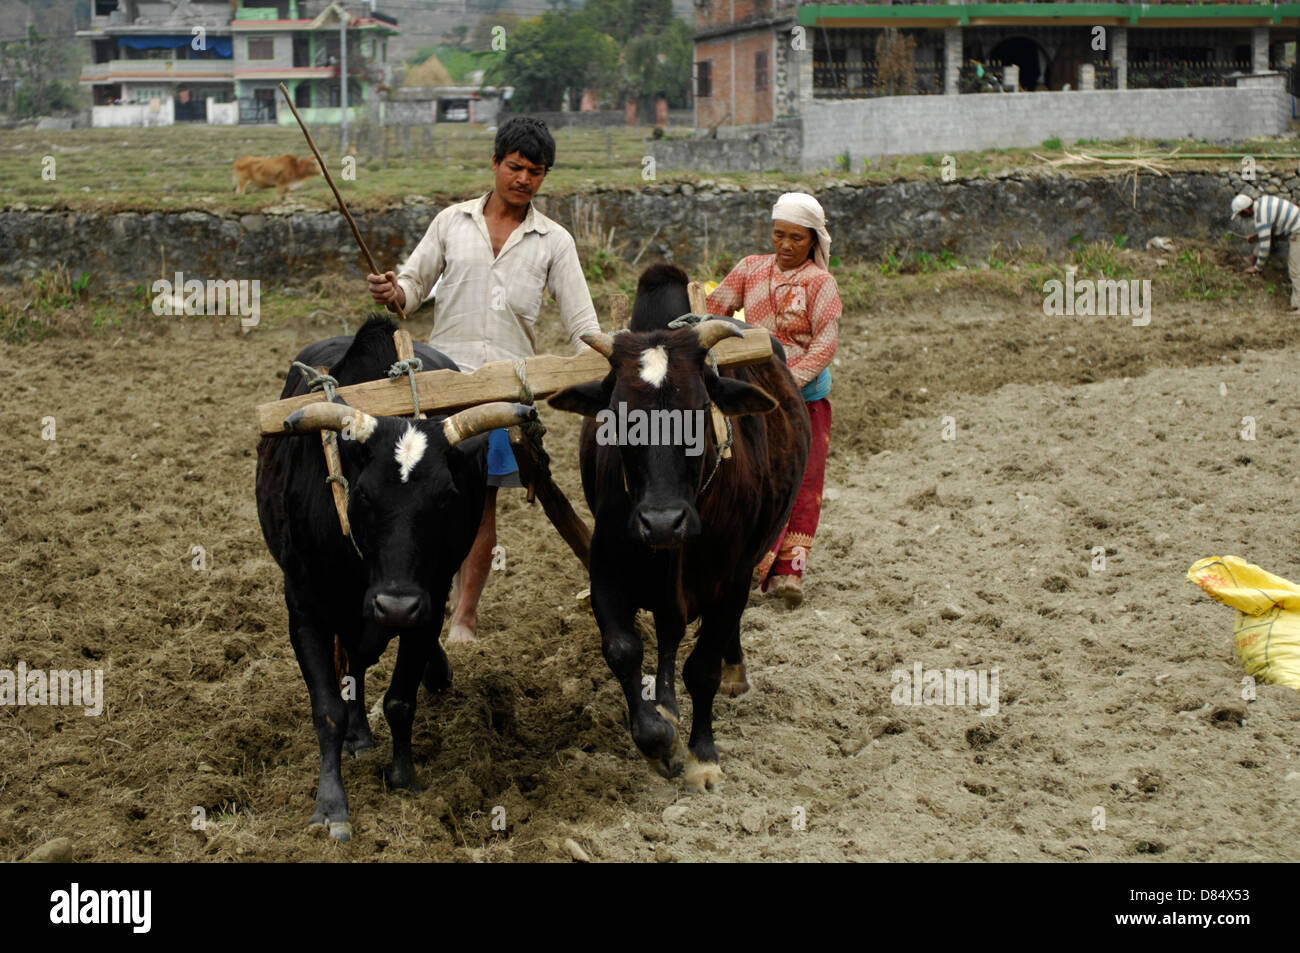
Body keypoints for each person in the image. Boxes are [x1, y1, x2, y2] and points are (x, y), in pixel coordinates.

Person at [367, 117, 600, 642]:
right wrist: (392, 291)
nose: (522, 179)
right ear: (495, 163)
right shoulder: (452, 222)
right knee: (419, 500)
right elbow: (411, 288)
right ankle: (419, 591)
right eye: (514, 167)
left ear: (544, 177)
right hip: (437, 384)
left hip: (501, 393)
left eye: (534, 172)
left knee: (478, 504)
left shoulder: (553, 241)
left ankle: (464, 616)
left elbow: (583, 325)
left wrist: (610, 361)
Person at [705, 192, 841, 609]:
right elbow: (714, 308)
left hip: (803, 398)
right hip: (754, 396)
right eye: (778, 235)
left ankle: (789, 574)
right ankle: (745, 561)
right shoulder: (750, 268)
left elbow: (825, 343)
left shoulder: (821, 284)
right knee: (753, 475)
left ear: (813, 240)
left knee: (802, 479)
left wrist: (789, 381)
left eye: (795, 238)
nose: (784, 245)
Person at [1232, 192, 1300, 312]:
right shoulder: (1262, 202)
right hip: (1295, 225)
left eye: (1240, 214)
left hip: (1297, 230)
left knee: (1295, 270)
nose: (1241, 217)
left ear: (1246, 211)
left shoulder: (1260, 217)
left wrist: (1257, 267)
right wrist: (1255, 237)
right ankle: (1253, 256)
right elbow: (1268, 231)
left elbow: (1265, 247)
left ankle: (1298, 306)